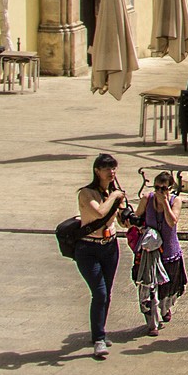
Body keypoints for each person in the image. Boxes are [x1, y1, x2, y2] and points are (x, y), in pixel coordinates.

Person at [75, 153, 131, 359]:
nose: (111, 172)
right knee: (99, 293)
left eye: (113, 168)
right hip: (88, 249)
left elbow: (122, 221)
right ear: (97, 171)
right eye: (107, 168)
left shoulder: (112, 193)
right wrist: (115, 197)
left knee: (107, 292)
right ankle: (98, 338)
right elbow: (99, 212)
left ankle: (99, 331)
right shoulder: (86, 193)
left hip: (110, 247)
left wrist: (127, 216)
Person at [133, 171, 185, 334]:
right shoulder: (147, 199)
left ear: (170, 188)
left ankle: (164, 309)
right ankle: (152, 323)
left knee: (166, 289)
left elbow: (172, 222)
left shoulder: (175, 201)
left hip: (169, 251)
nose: (159, 191)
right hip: (149, 252)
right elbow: (136, 218)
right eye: (156, 188)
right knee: (148, 288)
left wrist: (165, 204)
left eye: (163, 188)